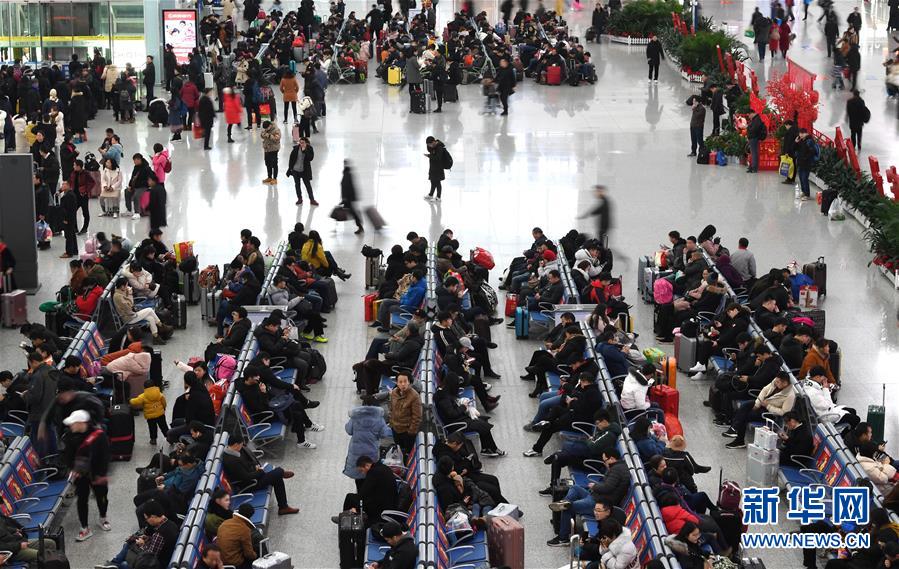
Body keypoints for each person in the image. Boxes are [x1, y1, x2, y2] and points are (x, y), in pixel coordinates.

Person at [61, 409, 110, 542]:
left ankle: (103, 517)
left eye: (73, 423)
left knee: (102, 496)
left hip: (97, 472)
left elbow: (105, 455)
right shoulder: (69, 436)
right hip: (81, 474)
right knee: (82, 499)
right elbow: (67, 455)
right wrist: (72, 468)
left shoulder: (99, 435)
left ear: (81, 423)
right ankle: (84, 527)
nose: (70, 425)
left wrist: (102, 473)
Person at [222, 435, 299, 515]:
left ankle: (283, 507)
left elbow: (246, 464)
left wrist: (255, 467)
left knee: (277, 477)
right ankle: (282, 474)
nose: (242, 447)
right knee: (278, 472)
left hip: (253, 477)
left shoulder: (234, 452)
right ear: (235, 445)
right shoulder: (231, 461)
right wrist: (260, 472)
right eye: (241, 445)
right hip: (250, 485)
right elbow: (246, 477)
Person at [96, 500, 178, 569]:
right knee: (130, 544)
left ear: (153, 516)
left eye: (147, 518)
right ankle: (114, 564)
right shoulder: (171, 524)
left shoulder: (160, 534)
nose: (147, 521)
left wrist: (142, 544)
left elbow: (150, 556)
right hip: (165, 559)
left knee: (127, 555)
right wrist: (148, 538)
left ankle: (114, 564)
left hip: (155, 564)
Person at [334, 455, 398, 526]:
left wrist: (356, 508)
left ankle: (344, 520)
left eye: (362, 470)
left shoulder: (373, 473)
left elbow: (363, 494)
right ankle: (346, 519)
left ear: (367, 466)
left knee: (350, 497)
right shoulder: (383, 467)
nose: (363, 473)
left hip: (381, 508)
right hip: (390, 503)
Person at [388, 372, 422, 459]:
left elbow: (417, 417)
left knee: (407, 454)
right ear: (397, 383)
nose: (403, 384)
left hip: (407, 432)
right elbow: (391, 408)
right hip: (395, 428)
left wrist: (411, 431)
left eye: (405, 381)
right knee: (398, 451)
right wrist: (391, 423)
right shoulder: (394, 393)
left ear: (409, 382)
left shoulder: (414, 396)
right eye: (400, 382)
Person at [217, 503, 258, 569]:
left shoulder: (225, 523)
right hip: (236, 564)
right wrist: (256, 555)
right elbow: (249, 554)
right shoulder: (245, 529)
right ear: (250, 516)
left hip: (221, 562)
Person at [130, 378, 168, 445]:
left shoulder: (143, 396)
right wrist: (163, 408)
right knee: (163, 426)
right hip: (160, 414)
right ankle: (169, 437)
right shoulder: (159, 394)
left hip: (150, 416)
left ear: (145, 387)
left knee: (152, 428)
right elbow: (164, 402)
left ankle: (153, 439)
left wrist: (129, 400)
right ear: (154, 386)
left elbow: (136, 401)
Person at [287, 137, 317, 206]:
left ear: (306, 143)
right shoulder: (296, 149)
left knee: (308, 185)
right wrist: (290, 168)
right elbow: (291, 159)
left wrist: (305, 151)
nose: (301, 144)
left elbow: (310, 158)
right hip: (295, 170)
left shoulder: (309, 148)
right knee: (297, 185)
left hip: (304, 171)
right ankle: (299, 198)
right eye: (300, 143)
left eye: (303, 143)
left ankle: (312, 200)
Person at [340, 160, 364, 234]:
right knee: (352, 212)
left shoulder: (347, 174)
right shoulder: (347, 173)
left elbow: (346, 186)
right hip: (349, 197)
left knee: (353, 212)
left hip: (348, 198)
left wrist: (345, 198)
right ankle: (359, 225)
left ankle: (360, 226)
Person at [794, 128, 818, 200]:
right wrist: (796, 142)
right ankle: (803, 192)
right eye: (800, 133)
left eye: (802, 133)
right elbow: (795, 149)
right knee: (801, 178)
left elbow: (812, 152)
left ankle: (807, 194)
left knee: (804, 178)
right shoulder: (801, 141)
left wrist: (805, 158)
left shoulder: (810, 141)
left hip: (806, 163)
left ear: (806, 133)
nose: (801, 135)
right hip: (800, 162)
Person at [59, 181, 79, 258]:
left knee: (68, 235)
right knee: (72, 234)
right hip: (71, 218)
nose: (62, 186)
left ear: (68, 185)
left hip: (68, 219)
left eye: (63, 184)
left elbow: (69, 209)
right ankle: (74, 250)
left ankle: (69, 252)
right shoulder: (68, 194)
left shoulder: (69, 196)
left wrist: (65, 219)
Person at [424, 136, 448, 201]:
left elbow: (437, 158)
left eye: (430, 144)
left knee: (437, 182)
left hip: (438, 168)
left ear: (433, 142)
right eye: (428, 145)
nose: (429, 146)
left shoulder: (439, 147)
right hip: (433, 167)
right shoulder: (433, 147)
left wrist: (429, 155)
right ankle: (431, 194)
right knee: (432, 181)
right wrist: (430, 147)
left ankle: (438, 197)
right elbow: (429, 150)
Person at [260, 120, 282, 185]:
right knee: (267, 163)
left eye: (267, 128)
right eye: (265, 129)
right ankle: (269, 177)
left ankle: (275, 178)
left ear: (270, 125)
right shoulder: (265, 129)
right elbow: (261, 135)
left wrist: (269, 136)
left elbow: (277, 139)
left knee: (274, 164)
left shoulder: (276, 130)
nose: (266, 129)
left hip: (273, 149)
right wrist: (263, 134)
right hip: (266, 149)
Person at [746, 109, 766, 173]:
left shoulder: (756, 120)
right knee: (753, 153)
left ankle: (754, 168)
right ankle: (752, 167)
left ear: (752, 113)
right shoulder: (755, 119)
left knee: (754, 153)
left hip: (754, 138)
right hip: (753, 138)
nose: (749, 117)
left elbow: (754, 130)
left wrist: (748, 128)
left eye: (749, 115)